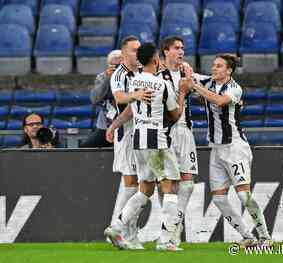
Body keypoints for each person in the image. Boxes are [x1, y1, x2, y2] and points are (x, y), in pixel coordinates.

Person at [104, 42, 189, 251]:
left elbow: (126, 104)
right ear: (156, 59)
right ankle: (166, 241)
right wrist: (183, 93)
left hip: (139, 139)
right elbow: (176, 114)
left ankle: (116, 226)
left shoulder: (133, 82)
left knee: (146, 188)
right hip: (157, 139)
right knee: (169, 186)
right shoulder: (162, 84)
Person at [187, 54, 273, 247]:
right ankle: (247, 236)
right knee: (218, 198)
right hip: (216, 149)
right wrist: (183, 67)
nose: (214, 68)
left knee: (244, 195)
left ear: (229, 71)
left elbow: (219, 101)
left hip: (235, 147)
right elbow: (189, 75)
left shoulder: (235, 88)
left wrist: (197, 88)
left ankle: (266, 237)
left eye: (219, 66)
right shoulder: (208, 81)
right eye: (213, 65)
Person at [105, 36, 152, 250]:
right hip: (127, 133)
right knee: (131, 183)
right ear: (124, 53)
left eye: (139, 49)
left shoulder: (143, 72)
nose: (137, 53)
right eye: (133, 50)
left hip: (144, 130)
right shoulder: (119, 74)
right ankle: (124, 233)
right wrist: (138, 95)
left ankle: (123, 231)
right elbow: (121, 99)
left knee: (141, 183)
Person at [156, 36, 198, 246]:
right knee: (169, 184)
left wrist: (192, 82)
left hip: (185, 131)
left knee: (188, 184)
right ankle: (168, 233)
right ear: (166, 51)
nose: (181, 52)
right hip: (167, 132)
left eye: (182, 48)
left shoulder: (186, 72)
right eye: (176, 48)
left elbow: (199, 88)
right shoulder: (158, 75)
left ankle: (174, 228)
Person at [80, 50, 123, 148]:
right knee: (85, 147)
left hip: (125, 124)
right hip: (105, 125)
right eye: (114, 65)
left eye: (120, 65)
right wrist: (107, 79)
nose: (117, 68)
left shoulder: (131, 77)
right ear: (108, 65)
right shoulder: (102, 77)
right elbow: (94, 99)